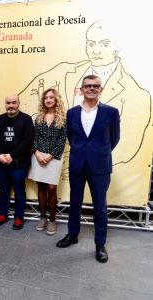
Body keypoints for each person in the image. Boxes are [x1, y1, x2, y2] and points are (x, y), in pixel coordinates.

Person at [19, 21, 150, 167]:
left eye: (104, 44)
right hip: (57, 157)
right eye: (91, 44)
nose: (96, 50)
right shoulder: (65, 71)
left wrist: (88, 155)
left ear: (117, 47)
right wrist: (36, 121)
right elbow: (25, 98)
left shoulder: (137, 94)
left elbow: (127, 147)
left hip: (93, 163)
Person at [56, 75, 120, 263]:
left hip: (100, 166)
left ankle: (100, 244)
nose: (91, 88)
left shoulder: (111, 112)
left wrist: (98, 152)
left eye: (95, 86)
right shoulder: (72, 113)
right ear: (81, 89)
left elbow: (114, 139)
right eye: (88, 86)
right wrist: (82, 151)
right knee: (74, 202)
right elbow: (71, 137)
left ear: (100, 89)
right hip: (77, 164)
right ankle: (72, 235)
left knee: (100, 206)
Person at [27, 89, 67, 235]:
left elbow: (62, 140)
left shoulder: (62, 118)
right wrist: (37, 154)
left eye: (51, 97)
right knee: (41, 188)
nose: (48, 100)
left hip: (54, 157)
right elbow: (34, 138)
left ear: (56, 100)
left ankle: (52, 220)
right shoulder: (39, 117)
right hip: (38, 156)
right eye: (46, 98)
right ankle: (43, 218)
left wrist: (49, 156)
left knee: (51, 188)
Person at [0, 94, 34, 230]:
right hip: (1, 164)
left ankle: (18, 217)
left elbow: (28, 140)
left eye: (13, 103)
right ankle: (2, 214)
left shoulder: (26, 119)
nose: (11, 105)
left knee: (19, 192)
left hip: (19, 164)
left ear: (18, 103)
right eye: (8, 103)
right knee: (3, 191)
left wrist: (12, 155)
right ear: (5, 104)